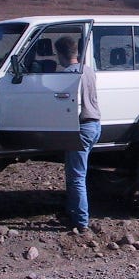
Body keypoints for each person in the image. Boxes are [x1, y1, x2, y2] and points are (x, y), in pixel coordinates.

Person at [55, 35, 101, 233]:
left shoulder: (68, 75)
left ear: (60, 54)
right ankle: (73, 211)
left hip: (81, 127)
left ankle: (81, 221)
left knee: (77, 177)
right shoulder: (88, 70)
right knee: (75, 171)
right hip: (95, 125)